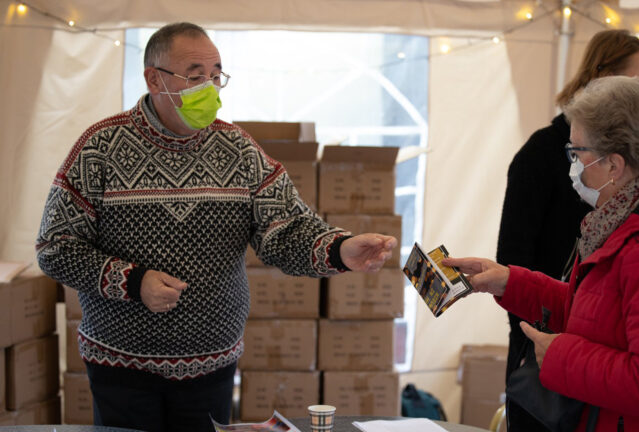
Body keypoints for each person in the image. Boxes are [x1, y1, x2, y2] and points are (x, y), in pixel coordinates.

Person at [35, 22, 396, 432]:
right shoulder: (99, 148)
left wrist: (340, 249)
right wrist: (133, 282)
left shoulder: (239, 150)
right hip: (120, 368)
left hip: (212, 367)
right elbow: (55, 247)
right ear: (154, 79)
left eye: (216, 75)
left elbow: (286, 230)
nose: (209, 88)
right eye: (194, 77)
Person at [446, 76, 639, 431]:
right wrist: (510, 282)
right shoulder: (629, 221)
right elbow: (597, 315)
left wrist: (561, 357)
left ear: (614, 165)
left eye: (577, 153)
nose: (573, 165)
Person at [496, 29, 639, 430]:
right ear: (603, 78)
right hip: (545, 345)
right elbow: (515, 251)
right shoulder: (540, 154)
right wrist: (532, 338)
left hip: (595, 357)